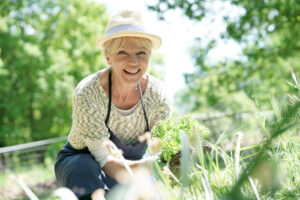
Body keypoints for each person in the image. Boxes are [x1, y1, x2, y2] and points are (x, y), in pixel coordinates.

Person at [54, 10, 172, 200]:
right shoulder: (88, 92)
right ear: (108, 57)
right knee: (84, 169)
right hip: (83, 163)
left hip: (134, 164)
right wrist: (153, 166)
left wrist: (175, 159)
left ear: (149, 56)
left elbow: (161, 149)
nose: (133, 61)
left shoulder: (158, 95)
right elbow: (105, 161)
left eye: (141, 52)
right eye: (122, 52)